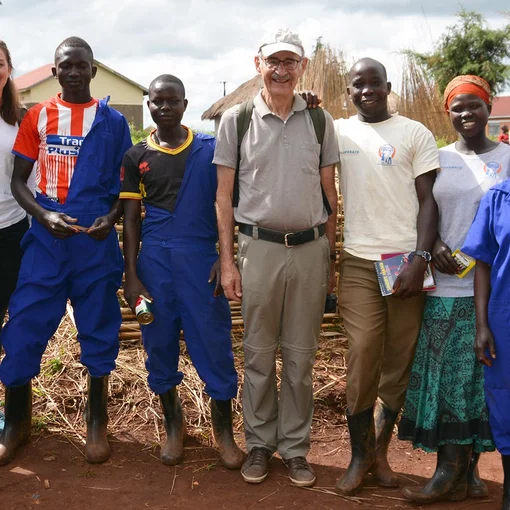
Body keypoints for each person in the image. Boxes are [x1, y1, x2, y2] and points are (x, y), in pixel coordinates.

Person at [214, 29, 339, 487]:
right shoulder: (237, 120)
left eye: (291, 62)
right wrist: (228, 262)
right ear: (258, 64)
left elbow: (331, 198)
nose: (282, 70)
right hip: (259, 249)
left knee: (302, 357)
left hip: (309, 250)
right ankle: (260, 445)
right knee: (259, 354)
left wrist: (328, 262)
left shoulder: (321, 122)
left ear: (302, 66)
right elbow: (223, 198)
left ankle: (296, 449)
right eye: (274, 62)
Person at [0, 37, 132, 466]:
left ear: (93, 69)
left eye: (81, 65)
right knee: (23, 325)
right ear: (55, 71)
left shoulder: (113, 122)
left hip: (94, 240)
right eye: (65, 66)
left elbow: (126, 188)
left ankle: (97, 422)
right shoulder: (37, 116)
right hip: (47, 236)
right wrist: (44, 216)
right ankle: (18, 423)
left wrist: (110, 218)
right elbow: (20, 182)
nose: (74, 72)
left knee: (99, 325)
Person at [120, 74, 243, 469]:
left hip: (200, 261)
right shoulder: (136, 155)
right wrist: (132, 275)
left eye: (172, 101)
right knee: (158, 343)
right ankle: (175, 428)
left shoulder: (211, 149)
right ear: (150, 105)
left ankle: (223, 433)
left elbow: (230, 207)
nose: (165, 108)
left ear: (185, 104)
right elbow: (131, 219)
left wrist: (224, 257)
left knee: (214, 344)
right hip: (154, 263)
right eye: (157, 101)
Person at [332, 58, 439, 495]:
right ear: (350, 91)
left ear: (387, 86)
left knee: (398, 360)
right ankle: (358, 456)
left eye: (374, 83)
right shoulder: (337, 131)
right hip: (358, 259)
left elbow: (428, 201)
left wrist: (420, 257)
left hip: (404, 261)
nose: (367, 90)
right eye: (358, 85)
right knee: (362, 353)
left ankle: (379, 451)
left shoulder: (415, 132)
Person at [398, 75, 506, 504]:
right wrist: (435, 245)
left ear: (488, 109)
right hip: (444, 286)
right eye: (457, 108)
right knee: (449, 380)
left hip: (494, 289)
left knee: (479, 381)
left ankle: (466, 473)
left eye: (474, 106)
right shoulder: (438, 159)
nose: (466, 114)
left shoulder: (508, 159)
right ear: (449, 113)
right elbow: (422, 208)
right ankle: (451, 472)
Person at [462, 178, 510, 509]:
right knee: (506, 403)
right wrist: (482, 325)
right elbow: (483, 262)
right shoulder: (499, 196)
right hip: (505, 317)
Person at [0, 40, 32, 433]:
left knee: (19, 323)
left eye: (0, 63)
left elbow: (32, 178)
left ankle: (17, 418)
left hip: (12, 232)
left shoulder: (22, 119)